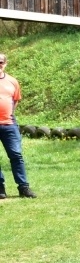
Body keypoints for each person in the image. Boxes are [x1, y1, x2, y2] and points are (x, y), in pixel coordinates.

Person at [0, 53, 36, 199]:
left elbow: (15, 100)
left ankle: (23, 187)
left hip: (9, 124)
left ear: (5, 64)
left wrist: (9, 114)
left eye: (1, 62)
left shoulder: (12, 81)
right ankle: (0, 188)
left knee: (16, 155)